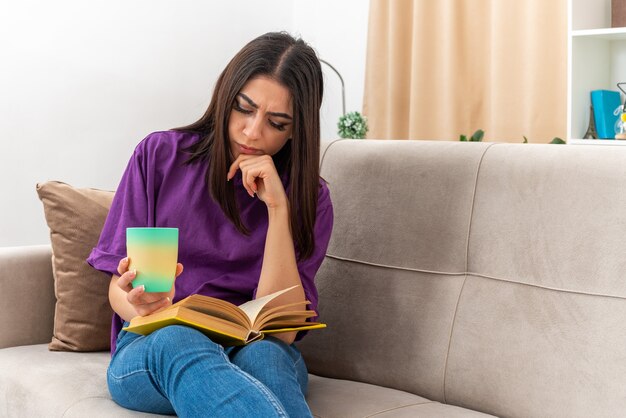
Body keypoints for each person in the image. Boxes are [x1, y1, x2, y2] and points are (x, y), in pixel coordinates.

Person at [87, 31, 333, 417]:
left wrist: (278, 209)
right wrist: (140, 307)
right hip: (154, 347)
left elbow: (281, 331)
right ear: (225, 97)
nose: (253, 132)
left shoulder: (308, 198)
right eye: (244, 109)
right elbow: (119, 291)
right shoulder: (160, 156)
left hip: (254, 346)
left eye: (277, 123)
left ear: (296, 130)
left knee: (268, 356)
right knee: (179, 339)